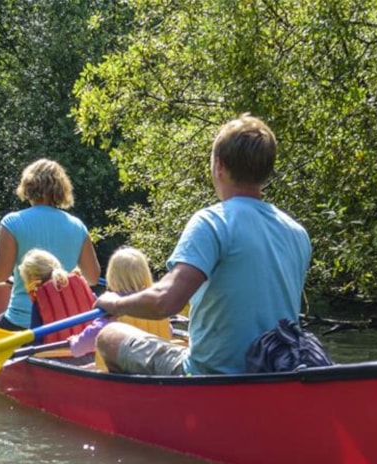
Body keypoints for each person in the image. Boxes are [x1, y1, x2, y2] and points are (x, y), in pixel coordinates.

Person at [94, 114, 311, 375]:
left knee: (109, 335)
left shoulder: (212, 221)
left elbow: (166, 302)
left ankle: (145, 413)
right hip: (274, 372)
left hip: (208, 375)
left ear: (218, 165)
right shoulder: (296, 232)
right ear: (266, 172)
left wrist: (115, 304)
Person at [0, 158, 101, 330]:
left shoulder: (12, 222)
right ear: (61, 190)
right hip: (65, 323)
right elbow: (93, 278)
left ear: (28, 187)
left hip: (21, 321)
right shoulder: (77, 226)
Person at [66, 246, 171, 358]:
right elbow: (168, 331)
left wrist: (75, 342)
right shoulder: (154, 302)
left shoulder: (111, 305)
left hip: (119, 370)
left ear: (112, 275)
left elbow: (84, 344)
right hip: (150, 367)